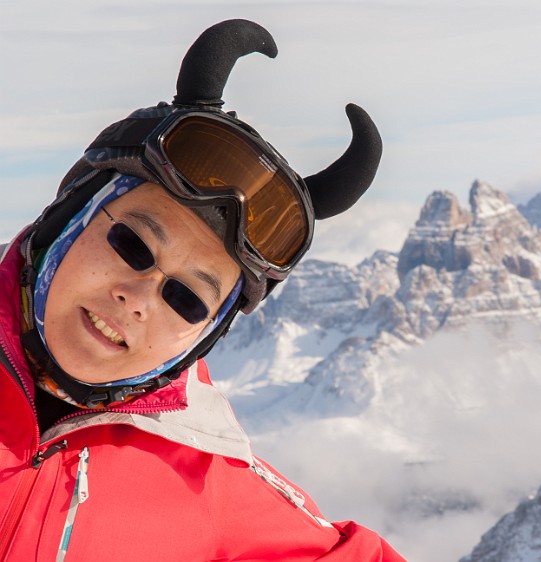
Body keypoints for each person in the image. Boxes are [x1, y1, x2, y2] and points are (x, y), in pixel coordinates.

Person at [0, 19, 405, 561]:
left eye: (186, 299)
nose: (139, 299)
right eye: (133, 244)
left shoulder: (207, 481)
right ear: (69, 217)